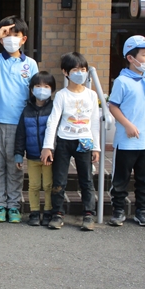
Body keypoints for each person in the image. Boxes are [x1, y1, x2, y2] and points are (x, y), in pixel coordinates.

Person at [0, 16, 39, 223]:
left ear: (23, 39)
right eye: (6, 34)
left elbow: (36, 93)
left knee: (15, 166)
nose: (10, 39)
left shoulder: (30, 64)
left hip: (20, 124)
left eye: (15, 35)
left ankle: (14, 205)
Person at [108, 35, 145, 227]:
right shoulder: (122, 81)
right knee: (121, 178)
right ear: (131, 58)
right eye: (144, 55)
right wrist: (127, 125)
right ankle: (118, 210)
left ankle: (142, 210)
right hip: (126, 140)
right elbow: (113, 107)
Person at [40, 52, 100, 231]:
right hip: (64, 141)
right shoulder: (62, 95)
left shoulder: (91, 95)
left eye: (83, 69)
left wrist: (96, 147)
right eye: (75, 69)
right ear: (65, 72)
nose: (80, 73)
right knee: (59, 180)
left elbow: (95, 121)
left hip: (85, 141)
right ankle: (57, 213)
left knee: (87, 180)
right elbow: (53, 121)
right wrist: (48, 147)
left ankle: (89, 214)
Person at [14, 71, 55, 226]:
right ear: (31, 89)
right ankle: (34, 212)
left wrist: (53, 150)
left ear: (52, 89)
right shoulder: (27, 110)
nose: (42, 89)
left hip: (49, 157)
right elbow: (20, 134)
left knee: (48, 185)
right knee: (34, 185)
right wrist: (18, 154)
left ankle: (49, 211)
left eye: (46, 86)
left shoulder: (54, 109)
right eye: (38, 86)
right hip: (31, 156)